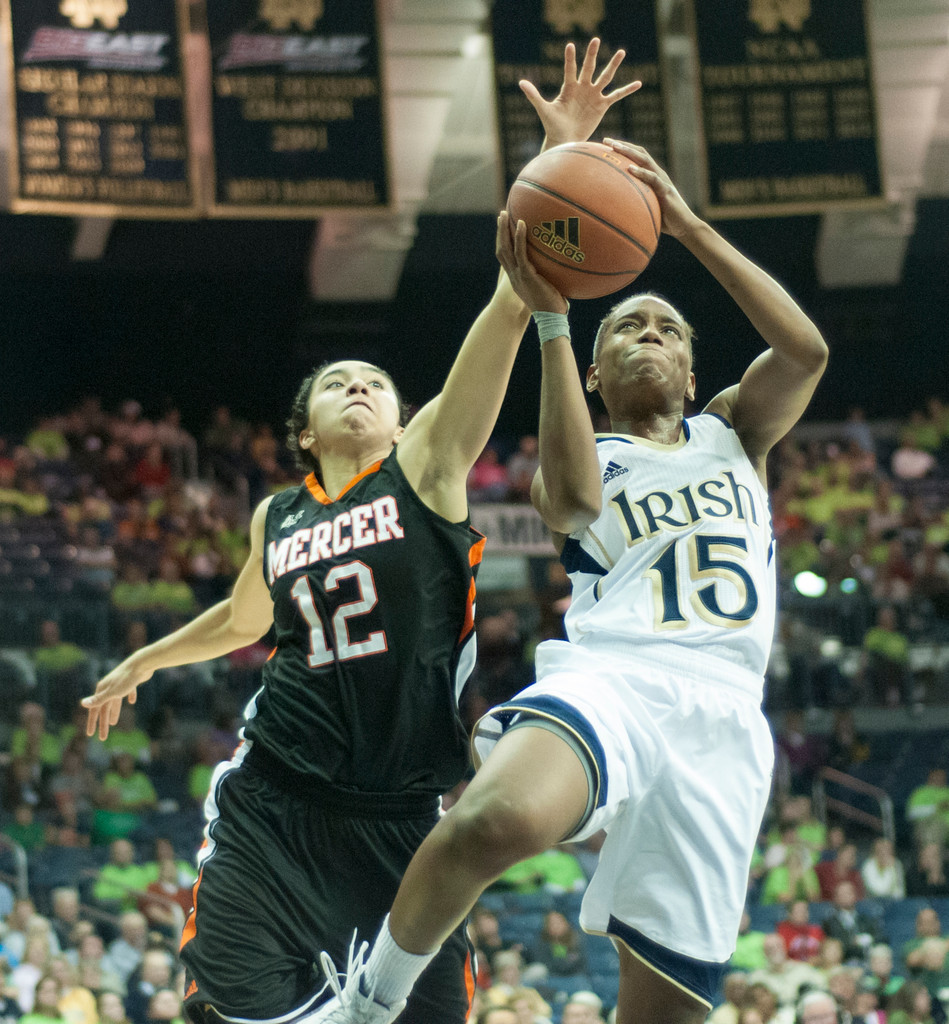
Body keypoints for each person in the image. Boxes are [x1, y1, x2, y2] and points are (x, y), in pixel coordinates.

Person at [78, 39, 638, 1024]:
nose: (356, 386)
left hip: (400, 803)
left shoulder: (425, 467)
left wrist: (550, 178)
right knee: (225, 1003)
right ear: (304, 429)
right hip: (276, 793)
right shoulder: (278, 512)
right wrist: (146, 660)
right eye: (335, 381)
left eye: (373, 382)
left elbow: (507, 308)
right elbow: (241, 616)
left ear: (399, 416)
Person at [310, 40, 828, 1024]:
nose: (645, 332)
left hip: (722, 716)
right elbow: (570, 503)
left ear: (691, 370)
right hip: (614, 677)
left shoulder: (736, 432)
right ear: (593, 375)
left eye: (665, 327)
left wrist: (683, 225)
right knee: (492, 818)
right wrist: (552, 322)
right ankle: (368, 1007)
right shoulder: (587, 444)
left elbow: (805, 348)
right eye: (623, 325)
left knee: (667, 1012)